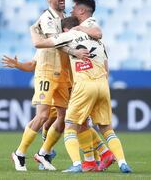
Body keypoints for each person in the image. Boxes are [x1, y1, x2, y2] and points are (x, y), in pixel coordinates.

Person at [30, 16, 132, 173]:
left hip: (83, 86)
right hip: (103, 85)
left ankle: (77, 164)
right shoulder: (97, 41)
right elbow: (106, 67)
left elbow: (39, 44)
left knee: (69, 125)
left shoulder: (69, 35)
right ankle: (120, 162)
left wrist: (33, 29)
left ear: (64, 30)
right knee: (105, 129)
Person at [11, 0, 76, 171]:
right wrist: (75, 51)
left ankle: (43, 153)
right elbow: (55, 42)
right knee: (43, 116)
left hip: (63, 74)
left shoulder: (65, 18)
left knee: (64, 118)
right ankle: (19, 153)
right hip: (47, 73)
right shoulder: (47, 18)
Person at [69, 0, 115, 172]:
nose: (72, 10)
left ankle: (85, 162)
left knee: (72, 123)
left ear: (81, 11)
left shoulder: (88, 28)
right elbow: (105, 64)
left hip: (85, 84)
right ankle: (100, 156)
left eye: (74, 8)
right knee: (83, 123)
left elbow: (98, 32)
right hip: (96, 83)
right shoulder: (91, 38)